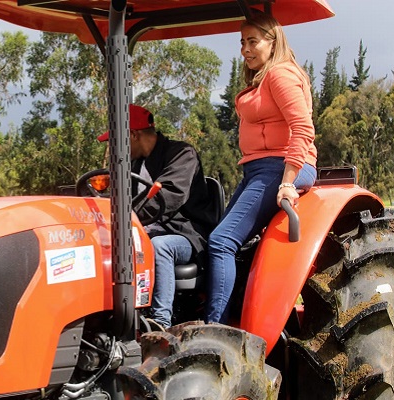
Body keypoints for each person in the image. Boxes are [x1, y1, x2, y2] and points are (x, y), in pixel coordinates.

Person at [205, 12, 318, 324]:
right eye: (242, 42)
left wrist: (287, 181)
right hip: (258, 169)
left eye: (252, 41)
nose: (245, 49)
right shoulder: (263, 79)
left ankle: (216, 329)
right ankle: (238, 317)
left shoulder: (280, 75)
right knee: (217, 240)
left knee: (221, 241)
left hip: (281, 167)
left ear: (273, 42)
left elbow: (303, 128)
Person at [99, 104, 218, 328]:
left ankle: (159, 322)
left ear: (133, 135)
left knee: (159, 246)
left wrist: (127, 222)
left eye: (114, 142)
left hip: (185, 234)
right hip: (146, 232)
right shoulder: (132, 165)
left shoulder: (182, 154)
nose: (113, 149)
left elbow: (168, 196)